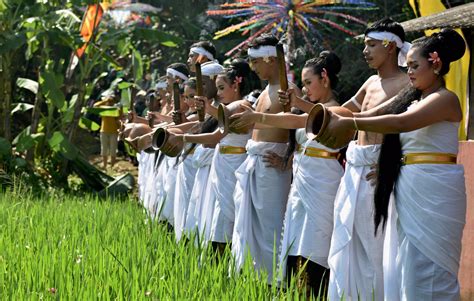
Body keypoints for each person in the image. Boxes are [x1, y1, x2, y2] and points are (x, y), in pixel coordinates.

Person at [319, 28, 466, 301]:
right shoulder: (413, 99)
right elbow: (371, 114)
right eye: (407, 66)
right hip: (410, 188)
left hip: (434, 191)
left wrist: (349, 123)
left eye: (414, 65)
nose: (409, 72)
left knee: (431, 272)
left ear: (435, 64)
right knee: (407, 271)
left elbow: (401, 123)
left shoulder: (446, 99)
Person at [231, 51, 344, 297]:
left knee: (317, 246)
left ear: (324, 78)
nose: (304, 89)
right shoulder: (306, 113)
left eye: (308, 83)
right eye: (302, 84)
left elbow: (314, 119)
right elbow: (296, 125)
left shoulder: (340, 111)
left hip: (324, 185)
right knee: (295, 245)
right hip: (301, 186)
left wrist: (261, 115)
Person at [323, 17, 410, 301]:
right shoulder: (371, 81)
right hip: (354, 169)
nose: (365, 51)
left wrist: (392, 165)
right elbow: (346, 111)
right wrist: (303, 108)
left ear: (390, 46)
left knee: (376, 246)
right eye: (365, 45)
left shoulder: (406, 83)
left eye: (371, 44)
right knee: (347, 241)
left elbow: (408, 129)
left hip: (377, 170)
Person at [230, 34, 299, 283]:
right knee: (250, 228)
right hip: (255, 163)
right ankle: (253, 279)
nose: (252, 67)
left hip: (273, 166)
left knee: (272, 229)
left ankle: (275, 283)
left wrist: (287, 161)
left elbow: (300, 131)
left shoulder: (289, 91)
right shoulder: (262, 93)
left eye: (255, 61)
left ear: (271, 59)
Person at [94, 90, 122, 169]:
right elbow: (95, 106)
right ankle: (105, 165)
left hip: (114, 131)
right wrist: (105, 100)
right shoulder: (103, 108)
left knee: (113, 149)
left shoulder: (116, 108)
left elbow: (120, 116)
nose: (110, 101)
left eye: (111, 99)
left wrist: (118, 107)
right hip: (104, 131)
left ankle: (112, 166)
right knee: (104, 149)